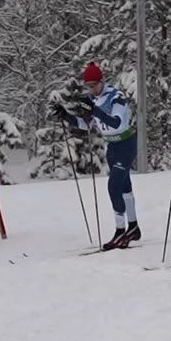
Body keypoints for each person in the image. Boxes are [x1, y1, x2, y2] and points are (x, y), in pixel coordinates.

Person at [64, 62, 140, 250]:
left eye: (94, 85)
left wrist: (94, 110)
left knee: (114, 187)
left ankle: (120, 232)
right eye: (88, 86)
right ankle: (134, 227)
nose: (92, 90)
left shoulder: (116, 97)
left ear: (102, 81)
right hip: (112, 146)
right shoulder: (92, 99)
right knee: (124, 187)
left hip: (125, 144)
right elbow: (86, 125)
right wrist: (65, 116)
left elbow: (116, 122)